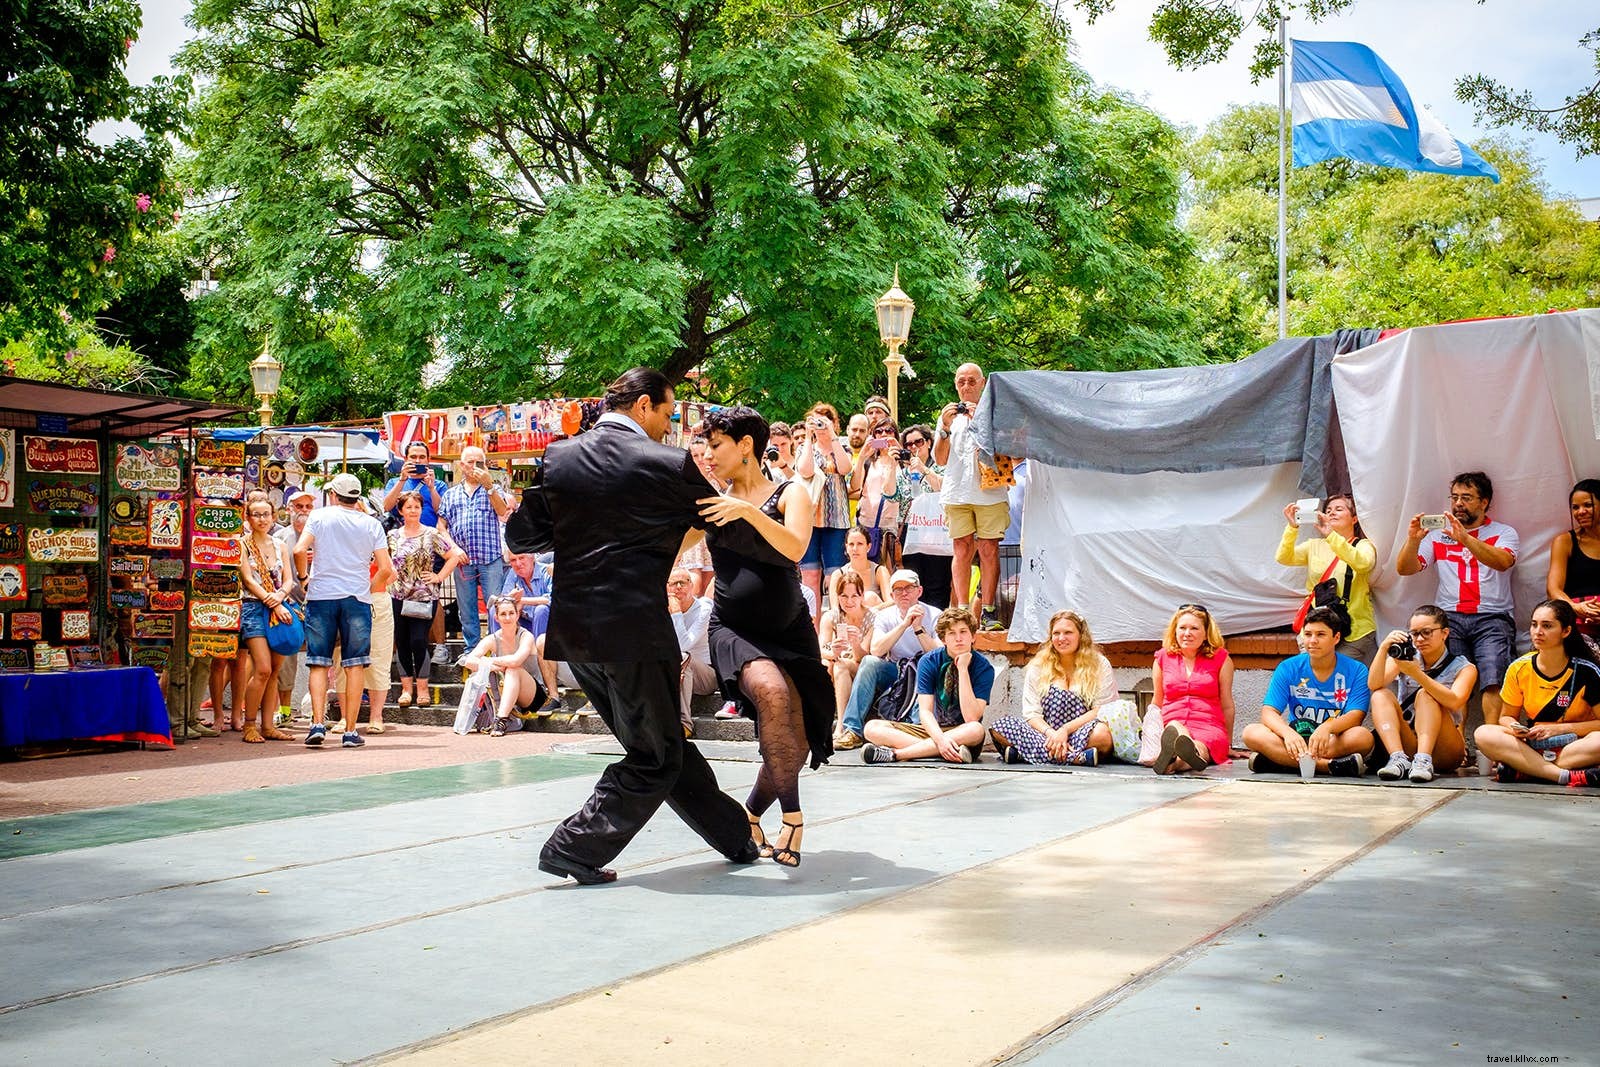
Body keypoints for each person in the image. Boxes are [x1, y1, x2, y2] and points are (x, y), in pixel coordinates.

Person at [506, 367, 762, 885]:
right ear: (643, 405)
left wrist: (586, 529)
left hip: (576, 636)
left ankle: (737, 837)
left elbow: (523, 536)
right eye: (668, 414)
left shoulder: (559, 457)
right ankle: (573, 847)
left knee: (663, 746)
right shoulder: (668, 464)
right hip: (636, 633)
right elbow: (722, 522)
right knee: (655, 756)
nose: (669, 427)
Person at [698, 405, 831, 868]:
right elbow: (667, 550)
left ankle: (752, 812)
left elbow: (795, 546)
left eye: (716, 445)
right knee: (772, 694)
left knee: (799, 742)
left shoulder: (791, 492)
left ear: (746, 446)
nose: (709, 454)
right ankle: (792, 817)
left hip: (791, 631)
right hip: (734, 630)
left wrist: (746, 511)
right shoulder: (710, 501)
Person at [1396, 471, 1519, 733]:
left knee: (1493, 679)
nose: (1458, 504)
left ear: (1484, 502)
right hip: (1449, 617)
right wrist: (1413, 540)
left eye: (1466, 497)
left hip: (1492, 616)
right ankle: (1458, 747)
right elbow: (1405, 569)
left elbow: (1503, 562)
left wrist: (1465, 538)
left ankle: (1493, 747)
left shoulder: (1503, 532)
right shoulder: (1437, 534)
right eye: (1454, 497)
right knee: (1451, 681)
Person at [293, 471, 395, 749]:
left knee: (318, 661)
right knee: (355, 664)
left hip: (321, 595)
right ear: (357, 496)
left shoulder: (320, 516)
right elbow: (386, 569)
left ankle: (316, 723)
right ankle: (350, 731)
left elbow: (299, 551)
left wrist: (304, 579)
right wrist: (369, 588)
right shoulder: (371, 523)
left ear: (334, 495)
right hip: (356, 598)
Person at [1473, 598, 1600, 786]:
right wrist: (1517, 729)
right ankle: (1561, 775)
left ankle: (1527, 769)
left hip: (1574, 746)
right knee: (1484, 733)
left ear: (1566, 631)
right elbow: (1506, 717)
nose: (1537, 632)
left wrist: (1558, 729)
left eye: (1547, 626)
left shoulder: (1586, 671)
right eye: (1534, 625)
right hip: (1534, 745)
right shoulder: (1519, 668)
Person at [1244, 606, 1374, 775]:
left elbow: (1355, 716)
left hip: (1331, 740)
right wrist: (1287, 733)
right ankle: (1327, 766)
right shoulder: (1288, 667)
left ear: (1336, 638)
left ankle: (1278, 762)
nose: (1312, 640)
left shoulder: (1357, 670)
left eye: (1320, 634)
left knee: (1363, 737)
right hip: (1296, 739)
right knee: (1251, 733)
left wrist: (1327, 728)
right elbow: (1269, 712)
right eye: (1308, 634)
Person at [861, 607, 993, 764]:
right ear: (943, 639)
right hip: (931, 731)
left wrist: (963, 669)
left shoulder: (984, 667)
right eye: (952, 633)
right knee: (872, 727)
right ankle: (944, 752)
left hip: (961, 733)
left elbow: (971, 717)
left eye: (963, 632)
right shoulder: (929, 661)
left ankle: (897, 754)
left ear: (973, 637)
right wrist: (940, 741)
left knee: (976, 730)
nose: (959, 638)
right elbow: (925, 712)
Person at [933, 362, 1008, 631]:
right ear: (955, 385)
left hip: (990, 491)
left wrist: (981, 421)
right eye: (961, 381)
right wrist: (943, 427)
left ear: (983, 382)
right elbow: (939, 459)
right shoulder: (949, 417)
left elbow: (1010, 451)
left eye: (972, 381)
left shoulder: (995, 413)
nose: (966, 386)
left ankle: (988, 609)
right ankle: (962, 609)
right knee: (961, 548)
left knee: (989, 549)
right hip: (956, 491)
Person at [989, 610, 1115, 766]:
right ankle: (1076, 757)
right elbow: (1032, 714)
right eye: (1056, 633)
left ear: (1081, 635)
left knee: (1103, 735)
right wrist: (1052, 734)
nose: (1061, 638)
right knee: (1000, 727)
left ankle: (1025, 754)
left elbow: (1100, 710)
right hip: (1044, 735)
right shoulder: (1038, 666)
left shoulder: (1099, 664)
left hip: (1080, 733)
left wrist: (1064, 730)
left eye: (1068, 632)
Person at [833, 569, 941, 749]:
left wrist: (918, 629)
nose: (904, 593)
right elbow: (876, 650)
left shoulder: (934, 614)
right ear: (891, 595)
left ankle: (914, 733)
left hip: (924, 670)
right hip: (896, 670)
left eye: (909, 588)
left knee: (926, 669)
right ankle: (852, 730)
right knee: (869, 663)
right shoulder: (885, 616)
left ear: (919, 591)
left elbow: (939, 653)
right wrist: (904, 624)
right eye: (898, 590)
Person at [1368, 605, 1476, 782]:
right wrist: (1383, 649)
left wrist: (1416, 673)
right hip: (1412, 740)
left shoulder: (1464, 667)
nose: (1420, 639)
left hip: (1446, 746)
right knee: (1380, 695)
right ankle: (1398, 758)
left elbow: (1455, 702)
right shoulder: (1406, 657)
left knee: (1426, 695)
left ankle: (1424, 760)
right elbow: (1374, 683)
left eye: (1426, 632)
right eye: (1414, 633)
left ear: (1444, 633)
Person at [1277, 492, 1378, 664]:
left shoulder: (1364, 545)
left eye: (1339, 509)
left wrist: (1332, 536)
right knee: (1313, 679)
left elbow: (1363, 564)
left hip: (1354, 630)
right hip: (1318, 628)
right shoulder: (1314, 545)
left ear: (1354, 519)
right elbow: (1284, 557)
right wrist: (1292, 528)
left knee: (1338, 678)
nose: (1332, 512)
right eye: (1328, 510)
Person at [388, 491, 466, 708]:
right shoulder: (392, 536)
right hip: (397, 594)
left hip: (424, 595)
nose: (413, 511)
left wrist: (439, 577)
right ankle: (406, 689)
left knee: (418, 640)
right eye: (409, 507)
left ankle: (423, 689)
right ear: (401, 510)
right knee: (401, 641)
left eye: (417, 507)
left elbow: (453, 557)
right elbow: (383, 561)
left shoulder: (431, 534)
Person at [438, 444, 513, 655]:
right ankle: (472, 649)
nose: (474, 466)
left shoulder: (493, 489)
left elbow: (502, 511)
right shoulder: (451, 494)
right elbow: (441, 527)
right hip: (463, 561)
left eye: (478, 462)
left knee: (495, 605)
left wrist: (489, 486)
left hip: (490, 558)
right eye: (469, 462)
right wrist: (453, 549)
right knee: (467, 608)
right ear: (461, 466)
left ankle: (498, 648)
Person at [1149, 604, 1236, 773]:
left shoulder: (1221, 659)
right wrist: (1149, 729)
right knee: (1175, 728)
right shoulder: (1162, 658)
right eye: (1182, 628)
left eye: (1194, 628)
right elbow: (1157, 701)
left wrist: (1228, 743)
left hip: (1209, 726)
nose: (1187, 633)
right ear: (1175, 631)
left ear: (1205, 633)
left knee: (1201, 747)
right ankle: (1177, 757)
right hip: (1171, 723)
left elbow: (1227, 704)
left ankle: (1172, 762)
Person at [237, 498, 297, 743]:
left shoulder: (280, 544)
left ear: (274, 517)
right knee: (261, 668)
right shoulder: (243, 544)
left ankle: (268, 725)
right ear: (248, 518)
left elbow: (289, 579)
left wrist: (281, 597)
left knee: (274, 670)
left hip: (280, 609)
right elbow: (248, 580)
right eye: (256, 514)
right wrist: (274, 602)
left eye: (266, 514)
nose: (261, 519)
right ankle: (249, 724)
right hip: (254, 607)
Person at [794, 403, 852, 624]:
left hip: (837, 520)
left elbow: (846, 469)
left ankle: (836, 626)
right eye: (815, 421)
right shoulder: (804, 448)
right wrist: (809, 438)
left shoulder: (841, 447)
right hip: (810, 519)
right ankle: (814, 628)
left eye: (823, 421)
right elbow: (805, 471)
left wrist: (832, 435)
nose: (819, 426)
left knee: (834, 576)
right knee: (810, 575)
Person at [461, 595, 546, 737]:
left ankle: (501, 720)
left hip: (532, 696)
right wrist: (491, 666)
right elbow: (469, 661)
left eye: (511, 613)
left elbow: (515, 661)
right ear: (497, 618)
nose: (507, 618)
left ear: (517, 615)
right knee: (496, 670)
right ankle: (497, 716)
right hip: (506, 691)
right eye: (503, 614)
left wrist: (490, 662)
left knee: (513, 669)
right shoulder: (493, 639)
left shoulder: (526, 636)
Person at [273, 488, 316, 724]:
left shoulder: (320, 534)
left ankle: (315, 711)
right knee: (286, 660)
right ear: (289, 509)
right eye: (299, 507)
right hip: (289, 605)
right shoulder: (280, 538)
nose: (304, 512)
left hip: (317, 604)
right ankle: (286, 711)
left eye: (308, 507)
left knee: (319, 659)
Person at [896, 423, 949, 607]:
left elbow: (943, 488)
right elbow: (891, 496)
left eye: (918, 442)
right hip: (912, 531)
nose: (913, 447)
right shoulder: (902, 473)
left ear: (928, 443)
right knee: (913, 581)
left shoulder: (941, 466)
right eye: (908, 444)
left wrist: (924, 470)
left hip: (936, 529)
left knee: (938, 582)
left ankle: (937, 625)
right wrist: (889, 465)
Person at [849, 417, 911, 573]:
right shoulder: (869, 461)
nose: (884, 435)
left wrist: (900, 454)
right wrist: (862, 456)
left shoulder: (903, 461)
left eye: (889, 431)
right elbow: (854, 486)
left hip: (891, 526)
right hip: (865, 523)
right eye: (879, 431)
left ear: (896, 435)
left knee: (890, 571)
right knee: (864, 571)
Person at [1546, 478, 1600, 648]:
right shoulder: (1565, 541)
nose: (1580, 512)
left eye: (1588, 505)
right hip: (1578, 622)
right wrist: (1576, 608)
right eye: (1575, 507)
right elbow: (1553, 589)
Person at [819, 571, 875, 733]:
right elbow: (821, 649)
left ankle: (842, 725)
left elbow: (864, 659)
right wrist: (834, 652)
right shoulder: (831, 617)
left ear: (862, 596)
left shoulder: (873, 618)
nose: (849, 601)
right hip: (840, 662)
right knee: (827, 664)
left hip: (863, 667)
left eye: (854, 596)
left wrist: (855, 643)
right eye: (844, 596)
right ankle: (822, 721)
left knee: (840, 666)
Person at [668, 567, 719, 736]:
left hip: (707, 676)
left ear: (691, 585)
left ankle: (684, 724)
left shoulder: (704, 608)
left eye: (683, 582)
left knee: (683, 656)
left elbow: (684, 644)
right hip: (678, 671)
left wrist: (676, 613)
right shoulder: (662, 609)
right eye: (673, 584)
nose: (678, 587)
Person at [381, 440, 443, 527]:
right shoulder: (393, 483)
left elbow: (442, 513)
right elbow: (386, 507)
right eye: (413, 457)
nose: (417, 461)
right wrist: (402, 480)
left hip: (429, 536)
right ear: (406, 459)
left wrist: (432, 489)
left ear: (428, 460)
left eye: (422, 457)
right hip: (402, 536)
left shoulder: (439, 485)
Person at [828, 525, 891, 611]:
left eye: (860, 544)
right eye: (851, 544)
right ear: (846, 547)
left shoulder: (880, 571)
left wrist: (866, 613)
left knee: (869, 597)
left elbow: (891, 602)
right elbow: (834, 608)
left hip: (875, 618)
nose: (855, 549)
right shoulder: (838, 574)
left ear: (868, 547)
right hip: (848, 620)